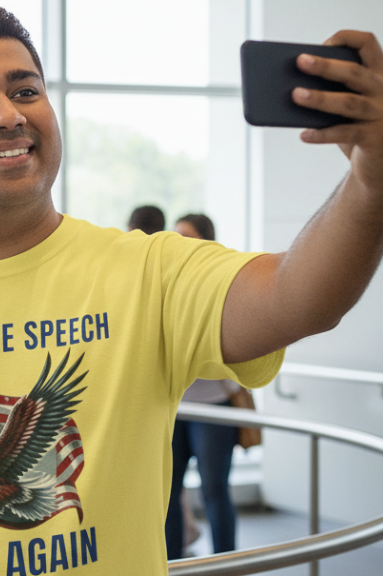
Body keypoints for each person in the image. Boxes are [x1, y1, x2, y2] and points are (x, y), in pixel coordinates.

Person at [0, 5, 383, 575]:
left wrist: (374, 182)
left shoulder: (149, 273)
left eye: (26, 90)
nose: (8, 114)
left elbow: (300, 295)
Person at [165, 212, 242, 559]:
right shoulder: (167, 280)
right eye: (175, 234)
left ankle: (227, 562)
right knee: (168, 490)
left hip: (212, 405)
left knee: (214, 489)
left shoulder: (220, 281)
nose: (178, 241)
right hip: (175, 406)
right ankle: (171, 562)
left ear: (206, 242)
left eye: (186, 235)